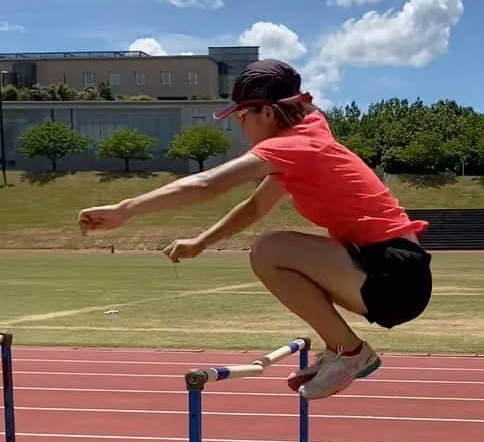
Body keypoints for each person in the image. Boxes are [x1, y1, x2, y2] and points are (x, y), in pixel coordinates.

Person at [78, 60, 432, 399]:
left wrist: (124, 210)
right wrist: (201, 243)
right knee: (269, 250)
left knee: (269, 252)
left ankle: (350, 351)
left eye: (242, 116)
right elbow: (255, 207)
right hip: (390, 272)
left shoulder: (296, 145)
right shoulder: (306, 138)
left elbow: (206, 185)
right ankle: (341, 348)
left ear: (266, 111)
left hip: (395, 275)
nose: (240, 126)